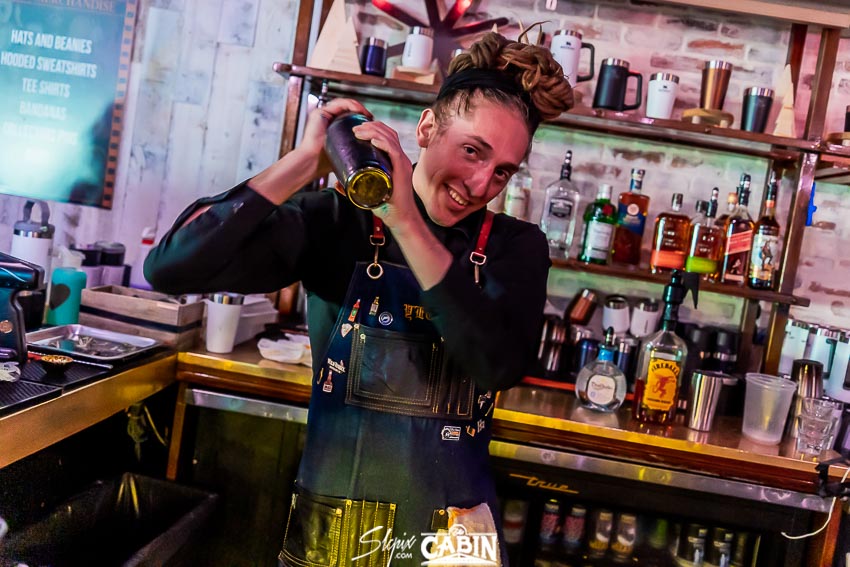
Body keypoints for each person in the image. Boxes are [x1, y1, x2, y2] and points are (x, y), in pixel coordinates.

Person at [146, 31, 573, 567]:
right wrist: (304, 162)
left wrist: (404, 220)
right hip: (340, 535)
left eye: (503, 170)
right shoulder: (338, 223)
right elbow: (170, 267)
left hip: (457, 542)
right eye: (472, 151)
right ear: (426, 128)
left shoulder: (515, 247)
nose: (482, 182)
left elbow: (497, 365)